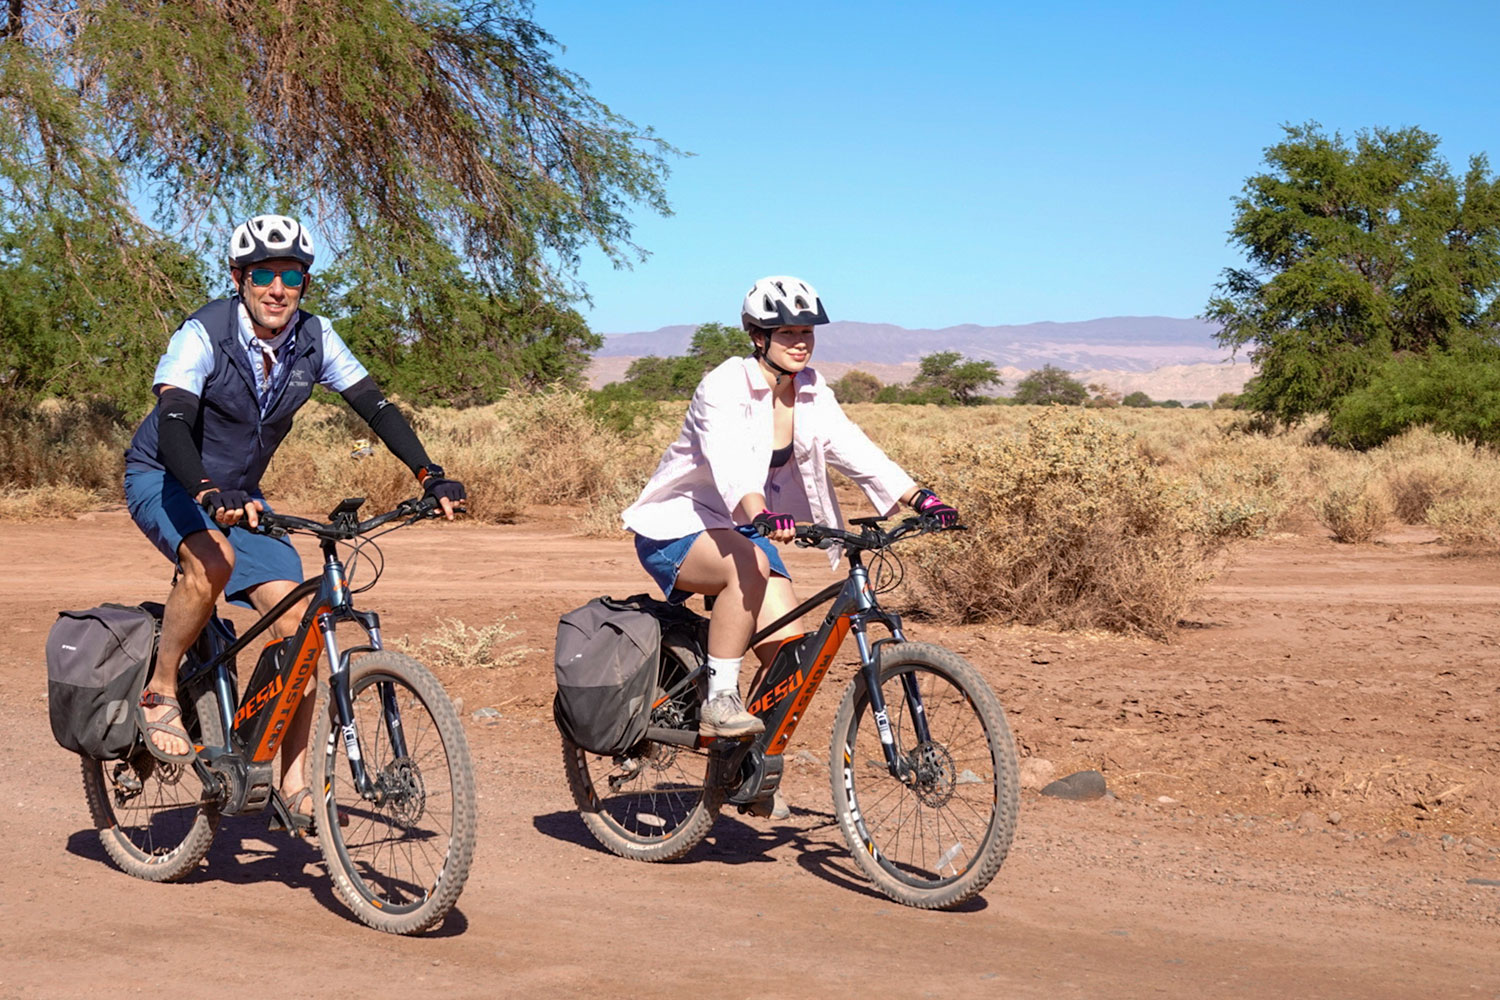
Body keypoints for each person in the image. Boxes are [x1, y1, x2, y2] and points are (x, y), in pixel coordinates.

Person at [122, 213, 466, 832]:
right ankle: (163, 689)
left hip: (239, 493)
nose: (278, 288)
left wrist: (428, 473)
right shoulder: (204, 332)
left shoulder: (314, 336)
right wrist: (205, 489)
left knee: (298, 625)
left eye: (292, 275)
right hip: (167, 476)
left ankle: (291, 778)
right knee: (212, 560)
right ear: (239, 278)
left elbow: (375, 405)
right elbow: (173, 418)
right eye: (264, 275)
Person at [621, 275, 959, 753]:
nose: (801, 344)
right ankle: (719, 700)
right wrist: (761, 511)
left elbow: (854, 448)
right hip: (680, 524)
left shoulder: (811, 390)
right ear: (758, 337)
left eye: (807, 333)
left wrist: (919, 498)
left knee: (790, 657)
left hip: (742, 531)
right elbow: (731, 460)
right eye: (788, 334)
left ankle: (741, 767)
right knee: (752, 564)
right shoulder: (723, 386)